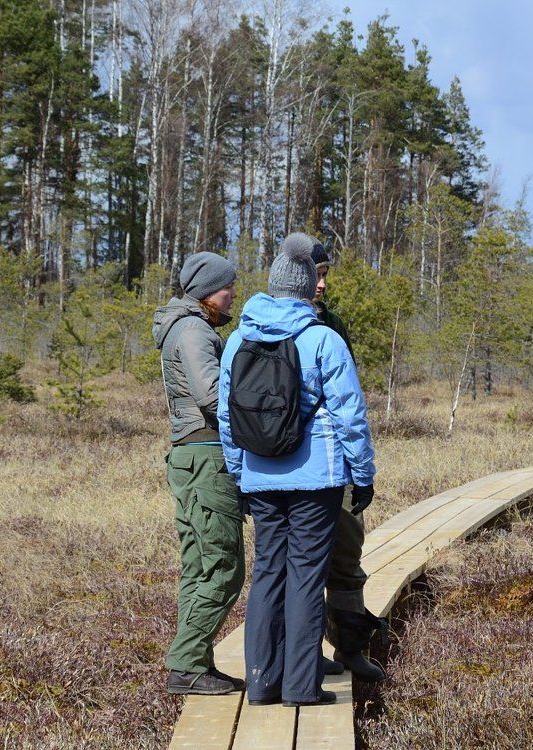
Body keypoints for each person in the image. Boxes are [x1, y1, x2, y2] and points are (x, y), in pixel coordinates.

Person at [217, 233, 376, 707]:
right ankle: (302, 687)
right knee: (307, 575)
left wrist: (238, 473)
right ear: (307, 287)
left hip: (261, 477)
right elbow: (350, 413)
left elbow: (228, 416)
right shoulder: (322, 338)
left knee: (268, 573)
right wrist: (362, 475)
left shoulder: (239, 339)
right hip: (316, 480)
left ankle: (262, 683)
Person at [153, 251, 246, 696]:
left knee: (199, 565)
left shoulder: (190, 327)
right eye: (228, 287)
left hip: (193, 457)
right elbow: (214, 395)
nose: (233, 295)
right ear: (210, 290)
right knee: (224, 567)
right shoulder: (193, 330)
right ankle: (187, 662)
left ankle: (195, 663)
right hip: (207, 457)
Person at [311, 242, 386, 681]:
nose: (322, 283)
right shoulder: (263, 326)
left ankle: (350, 648)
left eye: (326, 274)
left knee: (346, 556)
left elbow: (349, 402)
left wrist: (360, 471)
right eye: (315, 274)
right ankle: (303, 652)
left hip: (335, 466)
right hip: (293, 471)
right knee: (299, 564)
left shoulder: (334, 325)